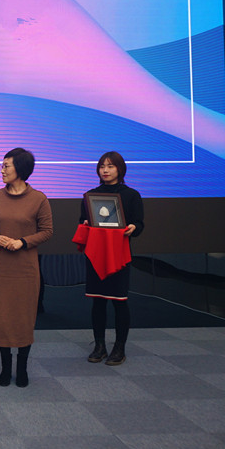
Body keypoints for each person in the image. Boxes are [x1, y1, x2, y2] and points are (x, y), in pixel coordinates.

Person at [0, 148, 53, 387]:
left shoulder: (39, 198)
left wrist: (23, 242)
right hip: (0, 268)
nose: (1, 170)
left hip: (25, 269)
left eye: (6, 166)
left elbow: (47, 231)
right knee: (1, 317)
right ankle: (5, 367)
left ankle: (22, 367)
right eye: (1, 165)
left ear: (20, 169)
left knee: (23, 317)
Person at [80, 151, 144, 366]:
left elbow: (139, 224)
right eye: (102, 166)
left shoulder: (131, 195)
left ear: (120, 169)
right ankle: (99, 345)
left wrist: (133, 227)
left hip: (119, 255)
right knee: (98, 301)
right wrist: (85, 224)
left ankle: (119, 347)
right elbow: (83, 220)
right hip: (96, 254)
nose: (105, 170)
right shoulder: (90, 195)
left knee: (119, 302)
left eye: (110, 166)